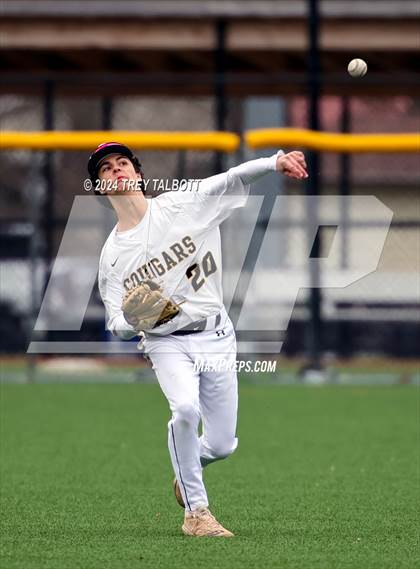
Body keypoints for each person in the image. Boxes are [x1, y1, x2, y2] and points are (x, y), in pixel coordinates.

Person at [88, 141, 307, 537]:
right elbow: (116, 320)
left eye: (122, 162)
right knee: (185, 410)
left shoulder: (182, 203)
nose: (116, 169)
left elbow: (232, 178)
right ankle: (196, 514)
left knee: (222, 445)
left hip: (216, 334)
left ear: (138, 173)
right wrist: (135, 320)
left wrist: (275, 162)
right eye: (105, 169)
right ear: (101, 187)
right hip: (165, 343)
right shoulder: (112, 257)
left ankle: (187, 471)